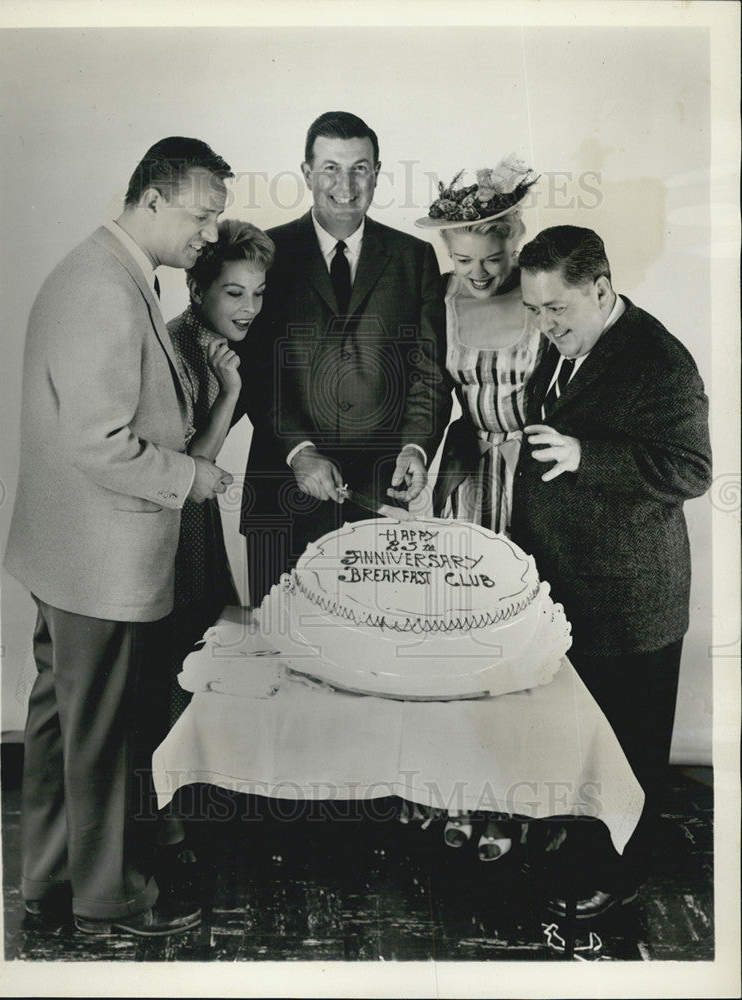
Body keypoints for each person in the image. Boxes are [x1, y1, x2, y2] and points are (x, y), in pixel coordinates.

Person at [3, 136, 234, 938]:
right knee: (102, 736)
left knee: (64, 723)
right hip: (97, 562)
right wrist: (189, 479)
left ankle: (48, 883)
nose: (210, 233)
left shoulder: (106, 272)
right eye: (203, 215)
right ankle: (111, 900)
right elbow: (99, 444)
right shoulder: (105, 287)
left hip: (70, 555)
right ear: (154, 200)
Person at [512, 225, 712, 919]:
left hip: (630, 599)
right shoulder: (567, 338)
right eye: (533, 309)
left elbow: (691, 470)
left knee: (627, 748)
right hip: (568, 586)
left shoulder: (658, 363)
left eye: (555, 310)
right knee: (578, 735)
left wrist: (582, 455)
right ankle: (581, 844)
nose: (543, 325)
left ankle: (623, 871)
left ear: (600, 289)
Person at [240, 110, 451, 607]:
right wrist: (298, 450)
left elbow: (428, 371)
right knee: (278, 652)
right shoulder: (264, 252)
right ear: (307, 172)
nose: (345, 184)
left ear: (376, 173)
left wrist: (416, 448)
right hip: (281, 497)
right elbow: (254, 371)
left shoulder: (414, 257)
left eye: (360, 168)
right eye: (331, 167)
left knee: (376, 658)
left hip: (382, 499)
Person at [414, 156, 543, 860]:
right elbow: (433, 397)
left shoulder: (542, 293)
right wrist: (415, 452)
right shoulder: (439, 298)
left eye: (494, 258)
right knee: (460, 638)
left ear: (514, 243)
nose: (481, 274)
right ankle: (455, 793)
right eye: (465, 259)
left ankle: (516, 805)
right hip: (467, 482)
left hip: (534, 484)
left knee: (521, 642)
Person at [166, 219, 275, 725]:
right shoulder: (178, 348)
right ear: (195, 288)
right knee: (185, 656)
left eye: (257, 292)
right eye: (234, 293)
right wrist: (231, 390)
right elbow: (194, 466)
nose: (249, 308)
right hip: (173, 523)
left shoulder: (215, 340)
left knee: (210, 650)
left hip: (196, 521)